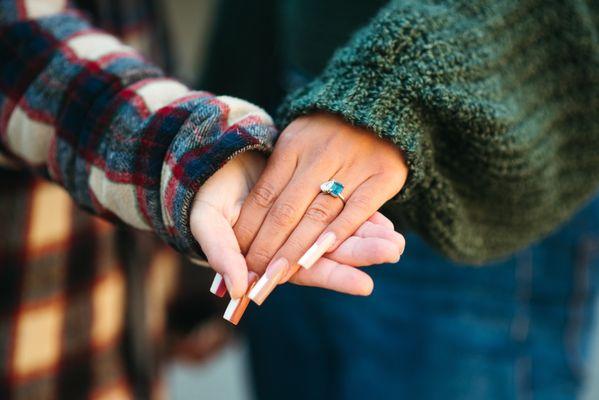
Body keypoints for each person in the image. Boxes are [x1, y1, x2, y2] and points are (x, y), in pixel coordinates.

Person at [0, 1, 405, 399]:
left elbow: (137, 36)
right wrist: (198, 154)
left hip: (117, 295)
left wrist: (188, 289)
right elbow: (18, 48)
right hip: (34, 310)